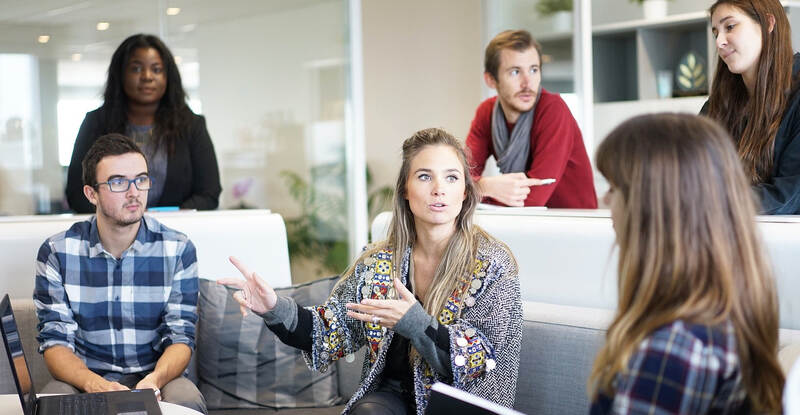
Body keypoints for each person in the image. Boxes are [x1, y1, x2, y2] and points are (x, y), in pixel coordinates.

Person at [219, 128, 523, 415]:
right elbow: (330, 330)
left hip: (461, 404)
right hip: (392, 400)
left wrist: (416, 323)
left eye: (452, 178)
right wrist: (274, 308)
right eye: (424, 176)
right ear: (406, 189)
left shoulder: (493, 264)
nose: (439, 189)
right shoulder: (378, 261)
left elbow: (480, 360)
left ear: (466, 193)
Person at [589, 113, 784, 414]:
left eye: (614, 188)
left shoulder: (672, 350)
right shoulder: (726, 315)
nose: (604, 200)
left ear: (653, 209)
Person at [35, 134, 206, 413]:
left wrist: (153, 381)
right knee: (51, 401)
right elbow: (55, 342)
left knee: (186, 399)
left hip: (156, 377)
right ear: (92, 193)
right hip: (85, 378)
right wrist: (94, 384)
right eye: (118, 182)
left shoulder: (178, 249)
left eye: (141, 179)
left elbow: (181, 337)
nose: (134, 192)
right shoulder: (57, 252)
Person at [702, 0, 800, 324]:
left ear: (768, 24)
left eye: (730, 26)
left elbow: (784, 197)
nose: (719, 41)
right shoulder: (718, 106)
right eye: (716, 31)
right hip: (732, 261)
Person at [65, 33, 221, 213]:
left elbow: (209, 193)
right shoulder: (96, 123)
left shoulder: (192, 125)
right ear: (120, 74)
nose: (147, 76)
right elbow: (77, 194)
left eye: (156, 69)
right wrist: (123, 218)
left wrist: (165, 220)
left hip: (176, 232)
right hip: (112, 235)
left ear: (168, 76)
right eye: (136, 69)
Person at [465, 29, 596, 208]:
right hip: (524, 224)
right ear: (491, 80)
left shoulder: (553, 109)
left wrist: (477, 189)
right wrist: (485, 186)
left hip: (573, 225)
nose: (527, 83)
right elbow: (459, 179)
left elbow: (534, 198)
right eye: (515, 72)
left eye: (534, 70)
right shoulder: (486, 113)